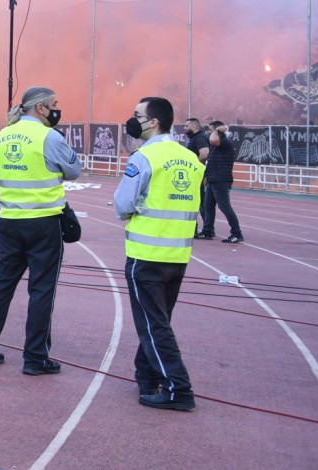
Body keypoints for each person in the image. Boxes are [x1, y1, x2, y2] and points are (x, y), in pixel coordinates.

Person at [0, 86, 82, 375]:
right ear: (42, 108)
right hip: (44, 223)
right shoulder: (49, 137)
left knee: (1, 284)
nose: (58, 109)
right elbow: (74, 170)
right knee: (41, 290)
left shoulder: (1, 136)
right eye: (54, 104)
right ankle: (35, 358)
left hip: (9, 221)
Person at [115, 96, 202, 411]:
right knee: (157, 320)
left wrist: (133, 210)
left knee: (154, 325)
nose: (132, 118)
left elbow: (123, 205)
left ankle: (179, 389)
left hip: (146, 253)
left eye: (137, 114)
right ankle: (147, 376)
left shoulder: (143, 157)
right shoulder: (190, 158)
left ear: (153, 121)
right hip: (177, 256)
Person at [203, 120, 243, 244]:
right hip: (212, 180)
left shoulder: (224, 142)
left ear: (217, 131)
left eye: (211, 130)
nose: (209, 133)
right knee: (208, 206)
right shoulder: (216, 146)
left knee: (225, 207)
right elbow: (212, 162)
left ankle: (237, 233)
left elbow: (213, 139)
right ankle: (207, 231)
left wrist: (218, 130)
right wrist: (206, 177)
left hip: (221, 180)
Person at [182, 118, 212, 239]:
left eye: (186, 126)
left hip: (195, 174)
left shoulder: (200, 138)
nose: (184, 128)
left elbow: (204, 154)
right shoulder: (194, 138)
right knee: (197, 201)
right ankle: (200, 228)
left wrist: (194, 168)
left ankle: (208, 229)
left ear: (194, 127)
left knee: (200, 202)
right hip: (192, 174)